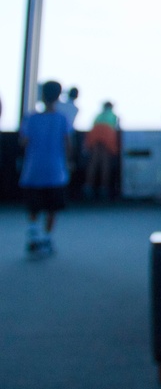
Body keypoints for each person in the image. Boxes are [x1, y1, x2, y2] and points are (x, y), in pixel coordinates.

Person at [19, 80, 73, 257]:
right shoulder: (62, 119)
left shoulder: (30, 118)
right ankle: (47, 239)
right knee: (52, 208)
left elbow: (23, 142)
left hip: (33, 170)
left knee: (34, 207)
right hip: (55, 171)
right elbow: (67, 144)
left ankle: (33, 236)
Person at [83, 101, 120, 200]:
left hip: (95, 133)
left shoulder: (98, 115)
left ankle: (88, 186)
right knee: (105, 162)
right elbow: (116, 127)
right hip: (108, 134)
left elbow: (93, 126)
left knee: (94, 161)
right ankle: (104, 187)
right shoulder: (114, 116)